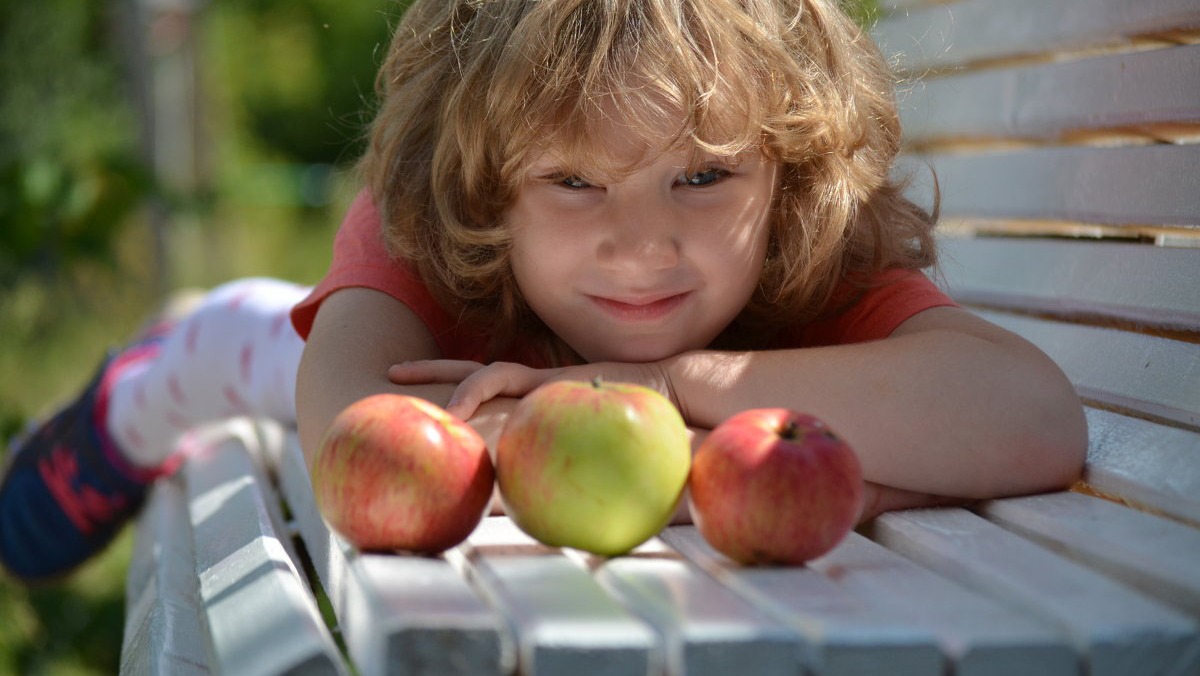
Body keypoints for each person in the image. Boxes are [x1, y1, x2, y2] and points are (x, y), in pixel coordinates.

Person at [0, 0, 1088, 582]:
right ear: (483, 184)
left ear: (788, 172)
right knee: (244, 346)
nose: (642, 246)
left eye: (703, 176)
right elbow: (359, 447)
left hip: (572, 399)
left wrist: (657, 384)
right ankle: (151, 379)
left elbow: (1032, 417)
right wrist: (773, 473)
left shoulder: (805, 252)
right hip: (401, 353)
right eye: (574, 182)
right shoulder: (427, 232)